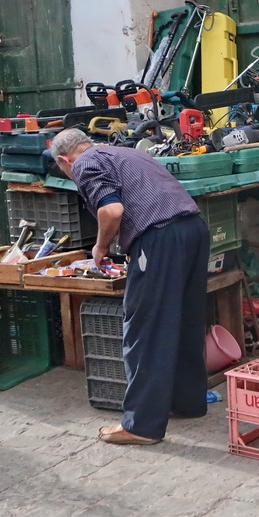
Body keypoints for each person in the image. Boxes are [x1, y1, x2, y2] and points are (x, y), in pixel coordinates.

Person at [50, 128, 210, 446]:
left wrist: (100, 247)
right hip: (194, 230)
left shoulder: (85, 163)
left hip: (159, 236)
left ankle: (141, 425)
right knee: (185, 320)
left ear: (64, 160)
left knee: (145, 327)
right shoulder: (129, 153)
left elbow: (112, 210)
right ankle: (188, 403)